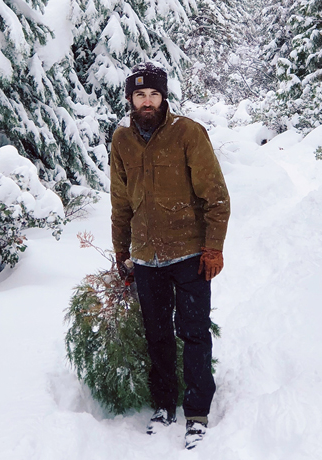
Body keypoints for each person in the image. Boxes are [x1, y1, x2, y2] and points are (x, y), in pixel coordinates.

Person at [110, 61, 230, 449]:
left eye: (154, 95)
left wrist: (213, 247)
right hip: (146, 258)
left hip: (189, 254)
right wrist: (121, 251)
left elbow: (217, 198)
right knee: (157, 336)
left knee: (193, 333)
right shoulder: (122, 141)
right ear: (131, 99)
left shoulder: (187, 133)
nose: (147, 102)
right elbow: (120, 203)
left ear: (164, 98)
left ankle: (196, 412)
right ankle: (164, 406)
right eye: (140, 95)